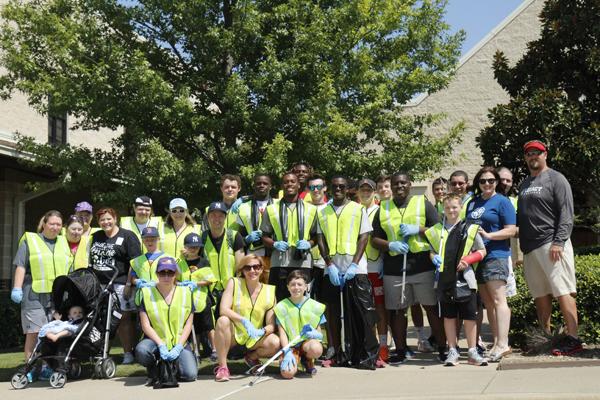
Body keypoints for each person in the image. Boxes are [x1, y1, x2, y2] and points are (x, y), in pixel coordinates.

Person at [371, 172, 446, 363]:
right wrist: (390, 245)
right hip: (394, 268)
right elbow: (374, 239)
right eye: (396, 184)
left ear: (410, 185)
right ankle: (402, 350)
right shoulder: (383, 208)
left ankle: (443, 347)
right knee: (397, 311)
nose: (399, 186)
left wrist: (417, 230)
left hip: (422, 265)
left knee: (430, 308)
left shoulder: (422, 202)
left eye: (403, 183)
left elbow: (439, 230)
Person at [517, 140, 582, 356]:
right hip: (530, 248)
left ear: (545, 155)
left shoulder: (556, 178)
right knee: (540, 294)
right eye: (529, 153)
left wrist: (559, 241)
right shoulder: (524, 184)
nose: (533, 156)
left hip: (552, 244)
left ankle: (573, 338)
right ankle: (545, 338)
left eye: (537, 152)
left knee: (562, 290)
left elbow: (566, 212)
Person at [317, 175, 379, 369]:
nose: (338, 189)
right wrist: (329, 264)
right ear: (330, 188)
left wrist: (354, 264)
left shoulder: (358, 209)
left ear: (348, 189)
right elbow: (320, 239)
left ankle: (366, 354)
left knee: (362, 311)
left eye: (342, 187)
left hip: (355, 268)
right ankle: (336, 352)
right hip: (333, 268)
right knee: (333, 313)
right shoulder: (323, 211)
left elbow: (364, 237)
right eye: (334, 186)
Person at [426, 193, 488, 366]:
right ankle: (452, 349)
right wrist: (433, 258)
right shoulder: (437, 230)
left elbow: (482, 251)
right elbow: (431, 251)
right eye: (447, 208)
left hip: (466, 279)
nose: (451, 211)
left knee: (469, 316)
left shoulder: (470, 228)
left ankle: (472, 350)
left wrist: (468, 260)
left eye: (454, 207)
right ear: (443, 210)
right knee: (449, 316)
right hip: (444, 281)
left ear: (461, 208)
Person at [466, 166, 516, 362]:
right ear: (478, 183)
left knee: (498, 300)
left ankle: (504, 343)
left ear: (496, 182)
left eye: (491, 180)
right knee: (487, 303)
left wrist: (489, 235)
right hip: (477, 258)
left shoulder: (502, 202)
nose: (487, 184)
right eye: (483, 181)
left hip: (496, 254)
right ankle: (496, 342)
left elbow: (511, 230)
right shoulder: (473, 203)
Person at [11, 210, 69, 360]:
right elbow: (21, 265)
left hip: (56, 296)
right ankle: (30, 367)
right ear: (44, 224)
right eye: (51, 224)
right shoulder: (30, 240)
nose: (55, 227)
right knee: (34, 332)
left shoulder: (64, 242)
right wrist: (17, 288)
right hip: (33, 294)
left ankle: (46, 366)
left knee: (52, 332)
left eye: (58, 224)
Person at [213, 254, 280, 382]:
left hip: (255, 336)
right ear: (242, 270)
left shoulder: (270, 291)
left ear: (261, 269)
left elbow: (271, 325)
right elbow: (224, 309)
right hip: (234, 334)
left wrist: (262, 331)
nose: (252, 271)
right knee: (222, 321)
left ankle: (252, 357)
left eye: (256, 267)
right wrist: (244, 321)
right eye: (247, 268)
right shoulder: (234, 282)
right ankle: (223, 367)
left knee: (275, 342)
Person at [89, 207, 142, 365]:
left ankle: (128, 353)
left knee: (123, 318)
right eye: (102, 220)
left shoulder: (128, 236)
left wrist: (128, 283)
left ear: (115, 218)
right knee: (101, 319)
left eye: (108, 219)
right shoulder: (96, 236)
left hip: (120, 283)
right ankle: (102, 352)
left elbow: (135, 263)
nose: (106, 222)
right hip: (100, 285)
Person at [135, 257, 198, 385]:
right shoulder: (147, 293)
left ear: (176, 274)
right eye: (162, 273)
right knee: (142, 351)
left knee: (190, 375)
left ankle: (173, 364)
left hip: (179, 341)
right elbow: (145, 325)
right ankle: (155, 367)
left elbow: (188, 324)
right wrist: (161, 345)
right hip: (155, 342)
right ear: (157, 274)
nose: (166, 276)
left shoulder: (186, 292)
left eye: (170, 273)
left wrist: (179, 346)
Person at [261, 172, 318, 301]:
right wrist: (274, 244)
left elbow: (317, 236)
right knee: (279, 301)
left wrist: (309, 243)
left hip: (303, 262)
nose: (289, 184)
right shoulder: (271, 209)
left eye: (293, 181)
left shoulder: (311, 209)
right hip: (279, 262)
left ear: (299, 185)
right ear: (282, 186)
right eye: (286, 182)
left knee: (303, 301)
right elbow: (264, 236)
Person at [357, 178, 389, 364]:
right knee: (363, 309)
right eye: (362, 189)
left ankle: (383, 345)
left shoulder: (381, 209)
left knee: (379, 308)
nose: (366, 192)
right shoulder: (353, 209)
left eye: (369, 189)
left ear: (374, 191)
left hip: (377, 266)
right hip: (359, 266)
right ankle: (368, 343)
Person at [274, 270, 326, 378]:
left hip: (307, 344)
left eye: (299, 284)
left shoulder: (315, 306)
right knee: (287, 374)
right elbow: (282, 333)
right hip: (290, 346)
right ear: (288, 287)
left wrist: (316, 335)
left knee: (316, 349)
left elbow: (319, 333)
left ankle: (307, 360)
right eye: (292, 284)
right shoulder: (281, 306)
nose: (296, 287)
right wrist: (286, 351)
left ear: (306, 287)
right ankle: (291, 358)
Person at [177, 232, 218, 360]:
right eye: (191, 247)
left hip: (203, 299)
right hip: (186, 300)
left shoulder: (204, 262)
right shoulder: (180, 263)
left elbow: (210, 280)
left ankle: (215, 349)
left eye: (196, 247)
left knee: (209, 326)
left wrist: (196, 283)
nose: (193, 249)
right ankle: (196, 351)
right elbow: (175, 279)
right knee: (194, 326)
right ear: (185, 247)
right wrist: (182, 284)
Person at [200, 202, 245, 312]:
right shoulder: (202, 238)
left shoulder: (234, 236)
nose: (217, 219)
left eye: (220, 215)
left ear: (225, 217)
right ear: (208, 218)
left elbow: (241, 266)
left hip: (230, 290)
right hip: (208, 290)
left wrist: (236, 288)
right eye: (213, 215)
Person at [126, 227, 173, 305]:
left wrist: (158, 283)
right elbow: (133, 277)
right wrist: (137, 282)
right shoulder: (137, 261)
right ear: (142, 240)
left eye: (153, 239)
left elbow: (174, 278)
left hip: (162, 297)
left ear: (158, 239)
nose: (149, 242)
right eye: (146, 239)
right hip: (143, 298)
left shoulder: (168, 258)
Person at [235, 173, 275, 259]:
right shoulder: (243, 207)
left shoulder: (278, 205)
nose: (261, 185)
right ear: (254, 186)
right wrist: (247, 239)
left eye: (265, 183)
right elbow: (240, 235)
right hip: (253, 255)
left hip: (275, 254)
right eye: (258, 183)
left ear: (270, 186)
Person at [497, 166, 519, 298]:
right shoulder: (484, 200)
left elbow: (521, 228)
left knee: (506, 297)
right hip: (483, 254)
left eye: (508, 180)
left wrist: (509, 231)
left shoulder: (514, 202)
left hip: (505, 253)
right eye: (501, 179)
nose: (505, 183)